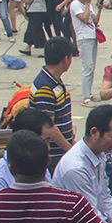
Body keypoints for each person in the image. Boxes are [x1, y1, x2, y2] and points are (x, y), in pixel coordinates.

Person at [29, 37, 77, 171]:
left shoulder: (54, 81)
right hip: (54, 155)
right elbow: (48, 127)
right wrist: (71, 151)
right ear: (66, 59)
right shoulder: (45, 87)